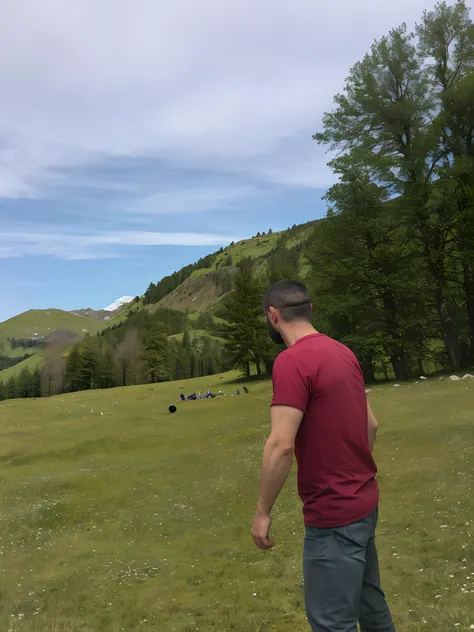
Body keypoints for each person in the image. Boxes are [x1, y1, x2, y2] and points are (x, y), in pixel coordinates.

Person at [251, 280, 395, 632]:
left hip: (333, 518)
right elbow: (371, 425)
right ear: (310, 310)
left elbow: (281, 445)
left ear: (273, 316)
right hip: (363, 504)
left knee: (332, 623)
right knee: (371, 607)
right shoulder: (342, 352)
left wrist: (262, 512)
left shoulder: (291, 362)